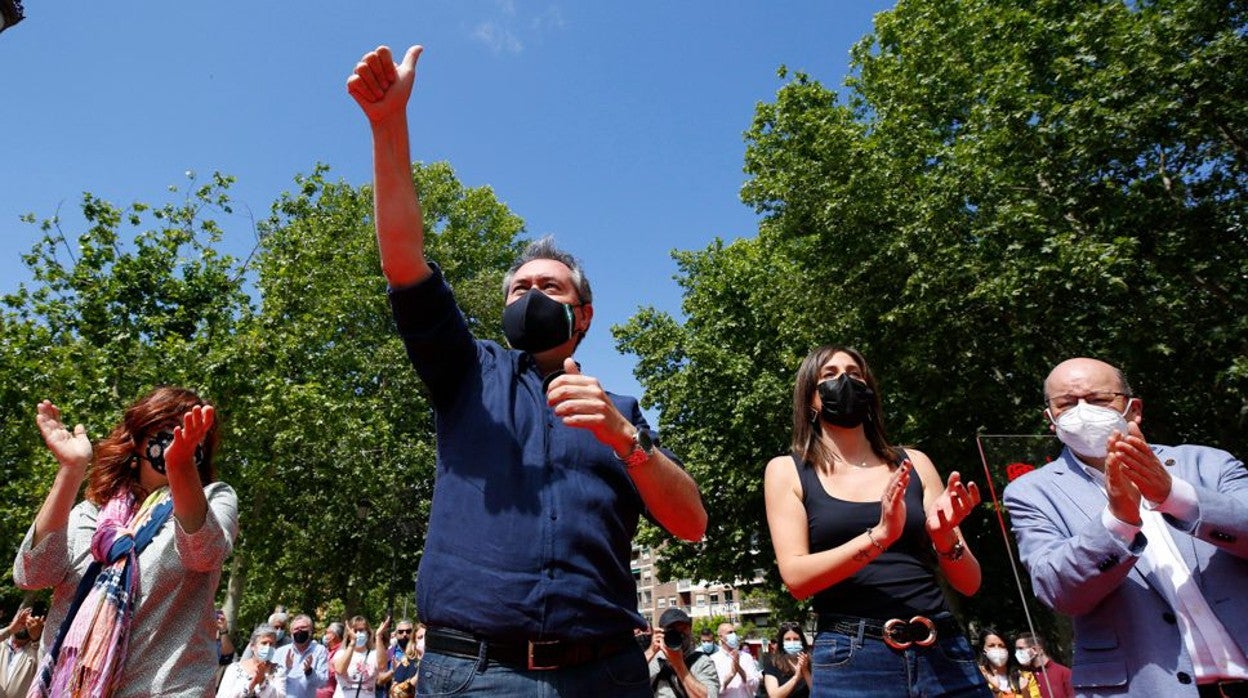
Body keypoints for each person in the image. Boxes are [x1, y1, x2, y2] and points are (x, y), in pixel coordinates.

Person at [345, 43, 708, 697]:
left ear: (585, 315)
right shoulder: (466, 371)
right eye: (520, 288)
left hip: (606, 676)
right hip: (475, 675)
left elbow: (691, 523)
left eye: (552, 287)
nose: (533, 295)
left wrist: (628, 443)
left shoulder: (621, 410)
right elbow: (403, 258)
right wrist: (387, 125)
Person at [1003, 357, 1248, 698]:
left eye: (1099, 400)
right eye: (1066, 404)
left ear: (1134, 409)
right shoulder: (1030, 493)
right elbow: (1057, 589)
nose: (1083, 411)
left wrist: (1174, 496)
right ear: (1050, 420)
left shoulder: (1207, 463)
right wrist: (1118, 521)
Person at [764, 345, 991, 697]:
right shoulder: (787, 470)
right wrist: (879, 537)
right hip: (852, 661)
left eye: (854, 373)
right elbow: (797, 579)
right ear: (810, 397)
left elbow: (970, 583)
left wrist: (945, 537)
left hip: (944, 652)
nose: (845, 381)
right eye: (829, 375)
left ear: (869, 389)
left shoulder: (914, 462)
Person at [13, 388, 239, 697]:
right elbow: (32, 574)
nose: (178, 437)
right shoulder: (92, 513)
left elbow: (203, 553)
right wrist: (71, 469)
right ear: (138, 441)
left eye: (192, 432)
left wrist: (180, 467)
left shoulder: (214, 500)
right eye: (167, 428)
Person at [646, 608, 718, 698]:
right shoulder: (654, 660)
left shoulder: (702, 662)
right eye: (672, 630)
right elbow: (627, 681)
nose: (679, 635)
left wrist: (678, 664)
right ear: (661, 632)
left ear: (690, 630)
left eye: (683, 629)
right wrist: (651, 651)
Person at [216, 624, 287, 698]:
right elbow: (222, 696)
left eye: (271, 644)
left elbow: (280, 696)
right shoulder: (234, 668)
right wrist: (251, 685)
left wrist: (262, 682)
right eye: (264, 643)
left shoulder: (278, 670)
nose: (268, 647)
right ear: (253, 646)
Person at [330, 616, 388, 698]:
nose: (357, 634)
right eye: (355, 630)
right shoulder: (341, 653)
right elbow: (340, 670)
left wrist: (378, 636)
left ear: (367, 632)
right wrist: (352, 643)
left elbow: (382, 667)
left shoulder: (373, 654)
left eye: (361, 630)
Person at [275, 614, 329, 698]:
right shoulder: (280, 652)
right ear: (291, 632)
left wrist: (310, 672)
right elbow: (273, 680)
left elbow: (323, 683)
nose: (299, 630)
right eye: (296, 629)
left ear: (310, 630)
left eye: (303, 627)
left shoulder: (319, 650)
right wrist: (286, 669)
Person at [0, 606, 43, 698]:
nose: (24, 624)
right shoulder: (1, 643)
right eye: (22, 618)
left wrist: (36, 639)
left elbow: (43, 670)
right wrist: (10, 630)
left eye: (30, 621)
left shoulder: (37, 651)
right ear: (12, 621)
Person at [1013, 632, 1072, 698]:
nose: (1017, 653)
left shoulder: (1063, 673)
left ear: (1035, 650)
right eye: (1016, 650)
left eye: (1021, 648)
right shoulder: (1024, 676)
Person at [762, 622, 811, 698]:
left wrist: (805, 671)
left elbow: (818, 693)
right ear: (782, 642)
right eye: (788, 639)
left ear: (802, 641)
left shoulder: (812, 661)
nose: (792, 642)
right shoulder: (772, 663)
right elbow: (774, 696)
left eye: (796, 639)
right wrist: (796, 677)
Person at [712, 621, 760, 698]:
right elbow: (714, 690)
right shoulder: (714, 659)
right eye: (730, 632)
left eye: (734, 632)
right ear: (720, 637)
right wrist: (731, 674)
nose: (733, 635)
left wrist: (740, 670)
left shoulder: (746, 657)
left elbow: (755, 685)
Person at [977, 629, 1031, 697]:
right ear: (983, 650)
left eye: (1001, 645)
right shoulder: (978, 677)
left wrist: (1025, 691)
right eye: (991, 645)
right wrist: (996, 690)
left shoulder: (1025, 675)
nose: (997, 649)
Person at [386, 620, 421, 698]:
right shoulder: (390, 652)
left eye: (408, 631)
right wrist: (393, 671)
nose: (404, 634)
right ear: (396, 634)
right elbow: (380, 679)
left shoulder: (418, 656)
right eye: (401, 632)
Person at [216, 608, 237, 690]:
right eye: (217, 618)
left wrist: (223, 630)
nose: (219, 621)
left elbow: (227, 656)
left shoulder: (219, 644)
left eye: (222, 619)